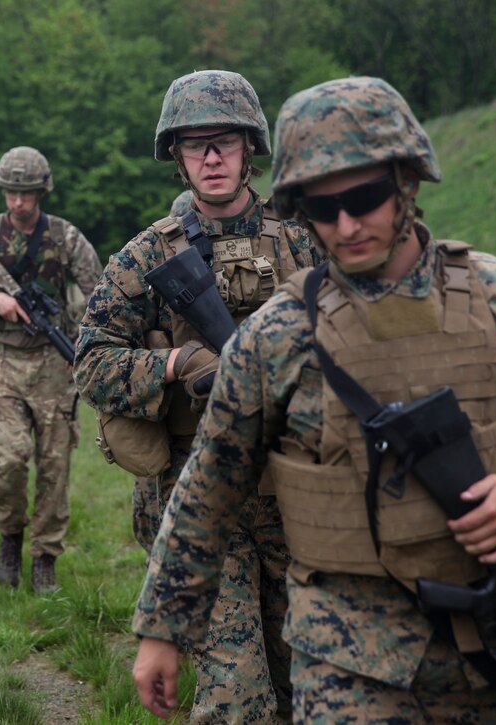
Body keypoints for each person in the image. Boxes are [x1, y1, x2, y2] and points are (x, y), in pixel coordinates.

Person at [130, 76, 496, 722]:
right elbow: (209, 485)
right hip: (346, 657)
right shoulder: (276, 337)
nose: (346, 225)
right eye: (321, 209)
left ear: (409, 181)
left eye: (366, 197)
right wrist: (162, 626)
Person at [74, 70, 319, 723]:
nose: (212, 157)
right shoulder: (145, 257)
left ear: (249, 149)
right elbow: (90, 363)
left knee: (311, 688)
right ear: (177, 158)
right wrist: (177, 362)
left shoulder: (304, 240)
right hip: (197, 503)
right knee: (237, 699)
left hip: (301, 498)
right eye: (195, 144)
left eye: (225, 142)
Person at [0, 146, 100, 593]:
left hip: (55, 362)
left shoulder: (65, 237)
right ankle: (10, 537)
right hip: (4, 360)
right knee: (10, 459)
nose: (18, 202)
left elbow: (99, 289)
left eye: (27, 193)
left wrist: (83, 326)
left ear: (42, 191)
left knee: (56, 466)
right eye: (11, 193)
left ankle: (45, 556)